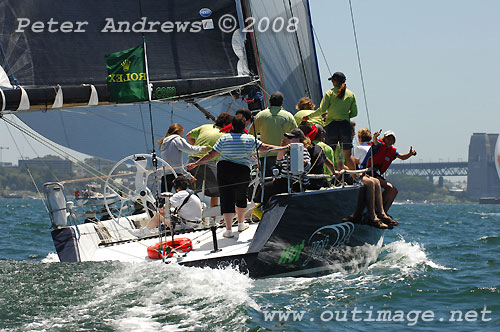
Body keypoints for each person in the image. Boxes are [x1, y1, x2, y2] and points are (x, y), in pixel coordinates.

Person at [186, 114, 282, 238]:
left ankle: (229, 230)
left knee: (227, 198)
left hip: (224, 169)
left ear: (232, 126)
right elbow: (265, 147)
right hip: (242, 170)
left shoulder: (224, 138)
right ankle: (241, 224)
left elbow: (211, 154)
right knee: (241, 196)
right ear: (244, 127)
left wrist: (196, 163)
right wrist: (282, 148)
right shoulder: (249, 139)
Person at [345, 128, 397, 229]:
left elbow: (354, 162)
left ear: (359, 138)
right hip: (372, 173)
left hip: (364, 173)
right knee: (384, 185)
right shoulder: (375, 146)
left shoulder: (360, 148)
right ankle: (381, 213)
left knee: (372, 183)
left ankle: (375, 215)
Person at [307, 72, 357, 172]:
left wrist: (308, 116)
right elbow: (354, 113)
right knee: (348, 155)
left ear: (334, 82)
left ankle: (330, 178)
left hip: (332, 126)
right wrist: (344, 116)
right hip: (345, 127)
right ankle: (355, 178)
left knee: (329, 152)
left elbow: (321, 110)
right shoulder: (351, 95)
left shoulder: (329, 94)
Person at [362, 129, 417, 212]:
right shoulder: (379, 145)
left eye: (392, 139)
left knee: (393, 190)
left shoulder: (392, 151)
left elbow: (402, 157)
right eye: (388, 139)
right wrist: (375, 137)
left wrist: (410, 154)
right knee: (387, 186)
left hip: (375, 174)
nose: (390, 141)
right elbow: (375, 142)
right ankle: (379, 212)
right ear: (384, 138)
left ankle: (384, 211)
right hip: (367, 171)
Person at [186, 112, 233, 208]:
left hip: (192, 159)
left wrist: (195, 147)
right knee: (216, 192)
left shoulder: (205, 126)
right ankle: (214, 220)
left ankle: (194, 215)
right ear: (225, 125)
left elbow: (188, 136)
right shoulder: (224, 135)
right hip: (209, 162)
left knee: (191, 191)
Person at [249, 91, 297, 176]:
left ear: (269, 101)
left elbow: (250, 135)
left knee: (267, 182)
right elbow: (297, 134)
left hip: (265, 154)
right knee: (285, 181)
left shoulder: (260, 115)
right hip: (284, 155)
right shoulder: (289, 116)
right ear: (282, 102)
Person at [157, 123, 206, 193]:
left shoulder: (164, 143)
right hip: (176, 176)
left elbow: (175, 166)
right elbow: (190, 149)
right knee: (184, 198)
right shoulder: (177, 139)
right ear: (179, 131)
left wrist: (189, 176)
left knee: (165, 200)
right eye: (182, 133)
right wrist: (202, 148)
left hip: (165, 176)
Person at [299, 124, 338, 189]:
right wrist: (334, 173)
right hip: (320, 182)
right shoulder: (322, 148)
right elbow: (330, 165)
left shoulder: (298, 149)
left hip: (303, 184)